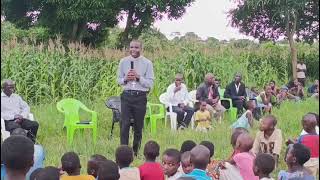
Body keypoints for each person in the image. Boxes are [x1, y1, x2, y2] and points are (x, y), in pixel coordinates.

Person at [117, 40, 155, 156]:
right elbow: (118, 80)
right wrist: (125, 79)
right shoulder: (123, 62)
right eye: (131, 47)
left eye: (136, 47)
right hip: (127, 96)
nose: (133, 49)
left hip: (140, 97)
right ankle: (123, 152)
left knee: (138, 126)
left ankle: (136, 151)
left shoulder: (147, 63)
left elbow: (150, 83)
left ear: (141, 48)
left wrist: (139, 78)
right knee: (124, 125)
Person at [288, 113, 319, 177]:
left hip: (305, 161)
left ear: (305, 126)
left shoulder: (303, 137)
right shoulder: (318, 137)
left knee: (304, 176)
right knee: (313, 176)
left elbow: (298, 147)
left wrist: (291, 141)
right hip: (316, 161)